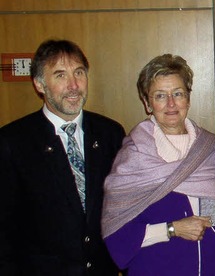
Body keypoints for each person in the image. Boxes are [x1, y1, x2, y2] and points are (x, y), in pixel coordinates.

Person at [101, 54, 215, 275]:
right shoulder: (132, 159)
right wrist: (172, 229)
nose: (171, 104)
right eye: (160, 96)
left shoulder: (214, 151)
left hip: (212, 267)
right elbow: (116, 233)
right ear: (147, 103)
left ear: (188, 99)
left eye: (178, 94)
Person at [0, 39, 123, 275]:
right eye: (60, 75)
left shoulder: (110, 133)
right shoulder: (13, 142)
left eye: (79, 73)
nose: (74, 85)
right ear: (39, 84)